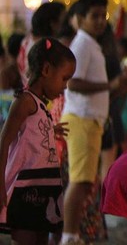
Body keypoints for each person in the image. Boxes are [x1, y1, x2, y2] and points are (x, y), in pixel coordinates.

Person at [0, 40, 76, 243]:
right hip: (25, 189)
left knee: (42, 237)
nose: (65, 87)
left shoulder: (41, 105)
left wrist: (50, 130)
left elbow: (29, 134)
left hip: (44, 186)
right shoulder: (24, 101)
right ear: (46, 69)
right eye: (64, 79)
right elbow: (4, 141)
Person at [61, 0, 121, 245]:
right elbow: (72, 82)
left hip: (91, 120)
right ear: (80, 18)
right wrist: (108, 85)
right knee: (80, 181)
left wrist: (114, 86)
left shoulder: (91, 44)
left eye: (103, 16)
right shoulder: (83, 44)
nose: (100, 21)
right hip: (83, 119)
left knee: (85, 182)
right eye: (94, 16)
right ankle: (69, 235)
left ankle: (72, 234)